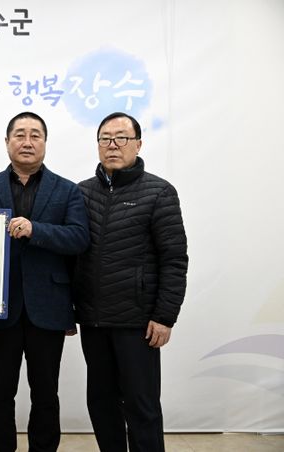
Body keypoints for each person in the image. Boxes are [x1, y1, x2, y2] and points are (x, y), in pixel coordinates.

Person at [0, 112, 90, 452]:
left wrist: (35, 230)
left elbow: (79, 238)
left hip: (49, 307)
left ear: (45, 143)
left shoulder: (67, 190)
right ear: (7, 142)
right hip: (0, 307)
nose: (27, 142)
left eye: (35, 135)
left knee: (45, 393)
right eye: (20, 134)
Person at [74, 112, 188, 452]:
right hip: (94, 320)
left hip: (138, 323)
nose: (113, 145)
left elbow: (174, 259)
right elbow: (72, 257)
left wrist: (165, 316)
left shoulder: (159, 192)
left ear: (138, 144)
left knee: (142, 406)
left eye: (121, 137)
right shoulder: (81, 193)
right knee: (101, 404)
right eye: (105, 138)